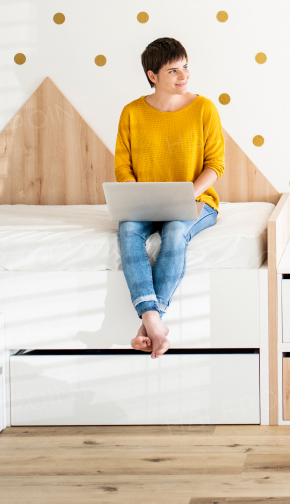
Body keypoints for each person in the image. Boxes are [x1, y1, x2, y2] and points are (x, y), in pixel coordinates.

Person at [114, 37, 225, 358]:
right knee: (128, 230)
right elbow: (123, 167)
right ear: (153, 76)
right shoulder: (132, 113)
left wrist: (183, 196)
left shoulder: (204, 108)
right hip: (145, 202)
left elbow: (215, 165)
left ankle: (150, 321)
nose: (183, 76)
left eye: (185, 67)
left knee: (176, 231)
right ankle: (154, 322)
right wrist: (139, 199)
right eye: (173, 70)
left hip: (197, 201)